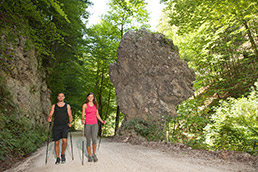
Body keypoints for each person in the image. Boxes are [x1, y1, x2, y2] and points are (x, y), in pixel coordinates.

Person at [48, 92, 73, 164]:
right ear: (57, 97)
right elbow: (50, 114)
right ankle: (58, 157)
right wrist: (49, 118)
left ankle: (62, 154)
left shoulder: (67, 106)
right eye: (59, 96)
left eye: (62, 96)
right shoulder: (54, 106)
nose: (61, 97)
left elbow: (70, 115)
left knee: (64, 141)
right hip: (56, 126)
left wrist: (70, 122)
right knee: (56, 143)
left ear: (64, 97)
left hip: (65, 126)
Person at [81, 92, 105, 162]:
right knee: (88, 140)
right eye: (89, 97)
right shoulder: (85, 105)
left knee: (94, 139)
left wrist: (102, 121)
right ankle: (89, 155)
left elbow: (97, 115)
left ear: (94, 98)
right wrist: (82, 119)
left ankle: (94, 154)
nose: (91, 98)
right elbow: (83, 114)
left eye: (92, 97)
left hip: (95, 124)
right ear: (87, 98)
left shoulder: (95, 105)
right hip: (87, 124)